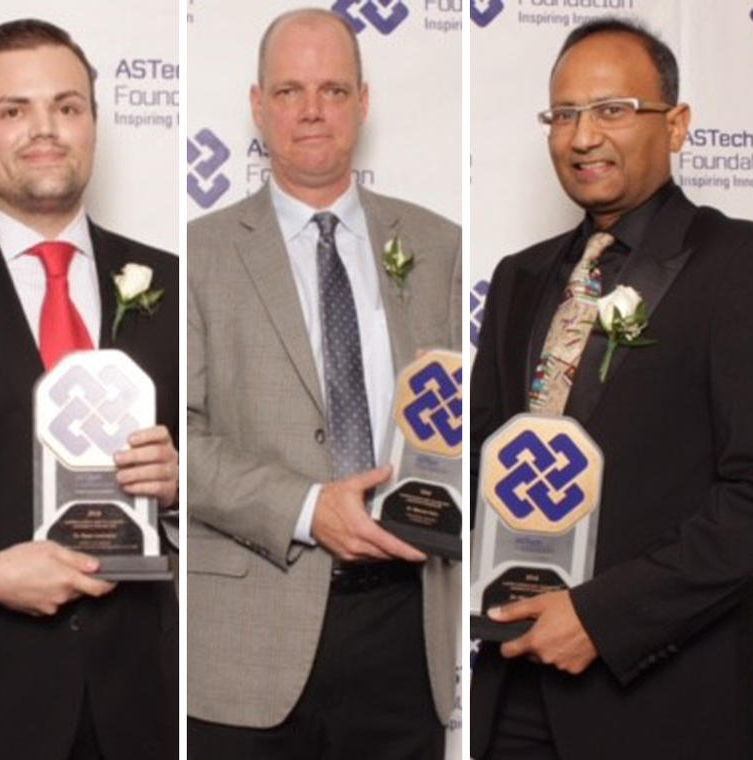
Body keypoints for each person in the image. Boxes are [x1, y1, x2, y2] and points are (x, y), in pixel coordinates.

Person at [470, 18, 753, 760]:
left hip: (663, 699)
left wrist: (602, 618)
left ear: (678, 124)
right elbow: (483, 462)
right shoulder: (519, 278)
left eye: (611, 110)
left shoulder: (737, 267)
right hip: (511, 690)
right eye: (563, 115)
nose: (583, 136)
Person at [187, 8, 460, 758]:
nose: (312, 111)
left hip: (408, 635)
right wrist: (309, 508)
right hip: (246, 647)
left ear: (364, 104)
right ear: (257, 105)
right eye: (289, 91)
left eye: (334, 91)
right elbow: (176, 441)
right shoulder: (197, 255)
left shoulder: (438, 246)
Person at [0, 19, 178, 760]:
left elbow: (240, 468)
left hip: (143, 704)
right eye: (12, 110)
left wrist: (184, 482)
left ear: (93, 122)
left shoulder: (176, 283)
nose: (44, 130)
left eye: (67, 106)